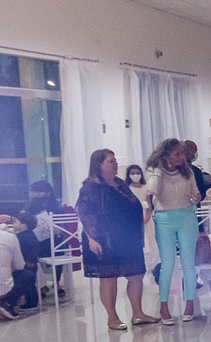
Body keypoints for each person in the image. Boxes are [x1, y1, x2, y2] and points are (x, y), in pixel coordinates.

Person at [76, 149, 158, 331]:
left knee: (136, 275)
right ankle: (112, 317)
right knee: (109, 278)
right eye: (110, 161)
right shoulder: (91, 186)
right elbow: (83, 212)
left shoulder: (119, 183)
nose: (115, 164)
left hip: (127, 238)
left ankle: (138, 313)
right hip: (103, 239)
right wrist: (91, 238)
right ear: (99, 165)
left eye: (115, 160)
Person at [145, 138, 202, 325]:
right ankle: (164, 306)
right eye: (177, 154)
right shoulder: (154, 171)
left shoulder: (188, 171)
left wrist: (195, 198)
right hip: (164, 220)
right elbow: (152, 190)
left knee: (188, 263)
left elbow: (196, 193)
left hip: (186, 217)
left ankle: (190, 303)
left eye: (182, 154)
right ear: (166, 155)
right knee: (167, 264)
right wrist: (159, 169)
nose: (181, 157)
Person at [11, 212, 40, 310]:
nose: (13, 224)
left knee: (27, 284)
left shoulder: (19, 238)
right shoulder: (32, 235)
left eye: (15, 222)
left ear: (23, 226)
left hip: (23, 264)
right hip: (32, 263)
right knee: (30, 284)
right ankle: (32, 301)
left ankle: (29, 302)